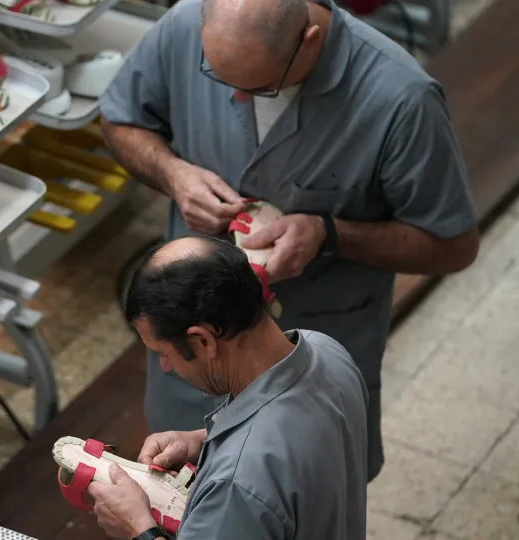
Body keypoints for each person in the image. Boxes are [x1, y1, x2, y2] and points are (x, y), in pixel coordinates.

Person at [98, 0, 480, 481]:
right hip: (193, 355)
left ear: (310, 40)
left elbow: (453, 244)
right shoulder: (186, 22)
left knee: (304, 496)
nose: (236, 100)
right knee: (180, 484)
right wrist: (172, 173)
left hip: (312, 362)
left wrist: (330, 234)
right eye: (217, 79)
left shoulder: (402, 99)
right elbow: (119, 121)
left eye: (258, 88)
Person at [87, 236, 368, 540]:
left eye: (163, 353)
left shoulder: (236, 485)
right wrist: (205, 441)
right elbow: (294, 436)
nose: (165, 367)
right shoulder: (324, 349)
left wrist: (138, 529)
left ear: (203, 341)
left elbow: (255, 467)